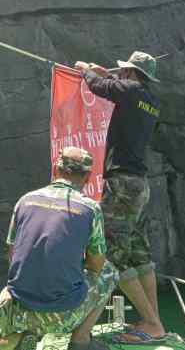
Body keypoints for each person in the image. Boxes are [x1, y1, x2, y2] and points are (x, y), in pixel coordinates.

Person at [74, 51, 166, 344]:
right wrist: (109, 75)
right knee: (140, 254)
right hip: (139, 185)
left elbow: (99, 87)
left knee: (113, 256)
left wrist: (86, 69)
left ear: (128, 72)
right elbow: (121, 90)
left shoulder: (128, 90)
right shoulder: (151, 100)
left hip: (123, 185)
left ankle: (150, 324)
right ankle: (154, 321)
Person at [0, 147, 118, 350]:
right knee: (109, 271)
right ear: (87, 177)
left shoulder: (25, 201)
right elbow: (96, 264)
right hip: (62, 316)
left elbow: (13, 254)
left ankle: (22, 330)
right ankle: (80, 340)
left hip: (19, 307)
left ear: (55, 169)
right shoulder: (89, 208)